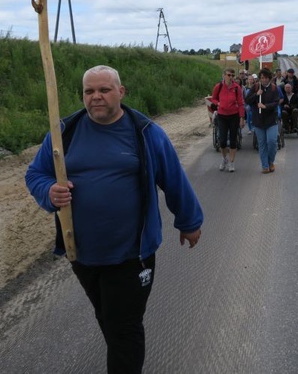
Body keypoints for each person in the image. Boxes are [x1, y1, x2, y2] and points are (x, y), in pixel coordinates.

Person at [25, 65, 203, 374]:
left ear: (120, 92)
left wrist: (189, 222)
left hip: (131, 254)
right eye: (89, 91)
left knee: (123, 326)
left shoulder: (145, 132)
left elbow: (173, 179)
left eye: (104, 90)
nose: (96, 97)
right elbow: (36, 174)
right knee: (107, 317)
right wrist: (48, 192)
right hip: (81, 252)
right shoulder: (63, 132)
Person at [209, 68, 245, 172]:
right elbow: (214, 98)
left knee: (233, 141)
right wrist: (218, 103)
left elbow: (241, 103)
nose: (231, 78)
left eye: (233, 76)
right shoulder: (219, 86)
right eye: (229, 75)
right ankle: (224, 158)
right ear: (224, 75)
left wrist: (242, 118)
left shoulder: (237, 88)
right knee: (222, 140)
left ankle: (232, 162)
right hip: (222, 116)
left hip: (234, 116)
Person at [245, 68, 280, 173]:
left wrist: (265, 106)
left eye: (265, 78)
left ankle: (271, 162)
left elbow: (276, 103)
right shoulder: (255, 88)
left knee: (272, 142)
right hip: (258, 121)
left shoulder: (274, 88)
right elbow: (247, 100)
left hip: (271, 121)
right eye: (262, 78)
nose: (264, 80)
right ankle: (265, 166)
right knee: (262, 144)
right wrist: (256, 94)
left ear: (269, 78)